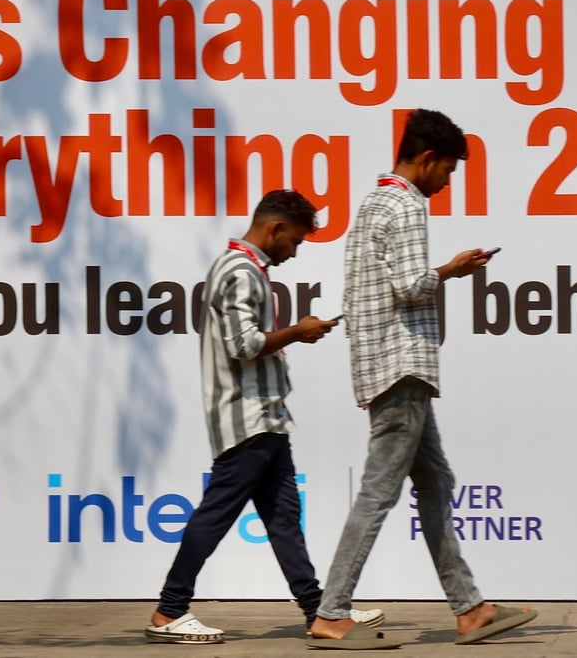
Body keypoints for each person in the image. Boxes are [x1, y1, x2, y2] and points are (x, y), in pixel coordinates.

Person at [307, 109, 537, 649]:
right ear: (428, 159)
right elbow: (412, 286)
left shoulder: (372, 202)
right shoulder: (407, 205)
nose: (449, 183)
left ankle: (470, 607)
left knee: (435, 482)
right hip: (402, 364)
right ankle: (331, 611)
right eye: (450, 171)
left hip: (381, 363)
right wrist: (453, 269)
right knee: (378, 492)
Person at [146, 189, 383, 645]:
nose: (294, 252)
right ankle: (168, 611)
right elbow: (243, 346)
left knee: (283, 521)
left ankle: (321, 610)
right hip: (246, 419)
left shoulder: (245, 269)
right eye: (294, 241)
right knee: (215, 516)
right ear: (274, 229)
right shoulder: (239, 271)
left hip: (265, 419)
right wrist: (298, 331)